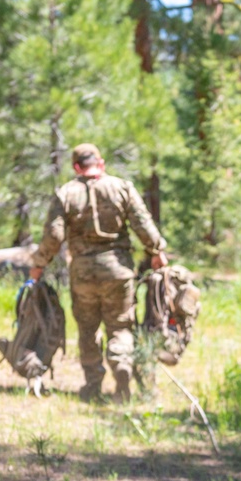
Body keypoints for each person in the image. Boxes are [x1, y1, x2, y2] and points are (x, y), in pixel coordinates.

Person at [30, 143, 168, 403]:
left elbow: (54, 235)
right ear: (101, 163)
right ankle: (123, 369)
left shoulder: (66, 193)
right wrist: (156, 250)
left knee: (87, 328)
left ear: (76, 167)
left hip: (82, 273)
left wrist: (38, 265)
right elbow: (142, 222)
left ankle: (92, 386)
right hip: (118, 269)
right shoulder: (121, 187)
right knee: (120, 326)